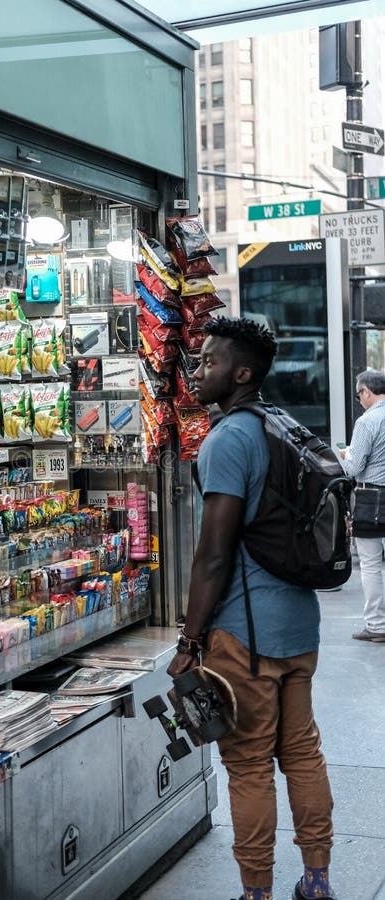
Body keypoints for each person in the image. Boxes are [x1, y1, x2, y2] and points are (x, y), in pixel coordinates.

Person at [167, 317, 336, 900]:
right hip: (299, 626)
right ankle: (316, 880)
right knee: (303, 751)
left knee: (249, 765)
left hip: (246, 635)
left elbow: (213, 556)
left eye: (210, 361)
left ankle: (256, 891)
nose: (198, 369)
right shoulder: (282, 423)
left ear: (241, 373)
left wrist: (189, 643)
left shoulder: (227, 440)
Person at [339, 368, 385, 642]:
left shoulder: (367, 421)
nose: (359, 400)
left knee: (370, 564)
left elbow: (353, 468)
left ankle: (378, 626)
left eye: (358, 395)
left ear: (367, 391)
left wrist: (345, 455)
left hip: (373, 499)